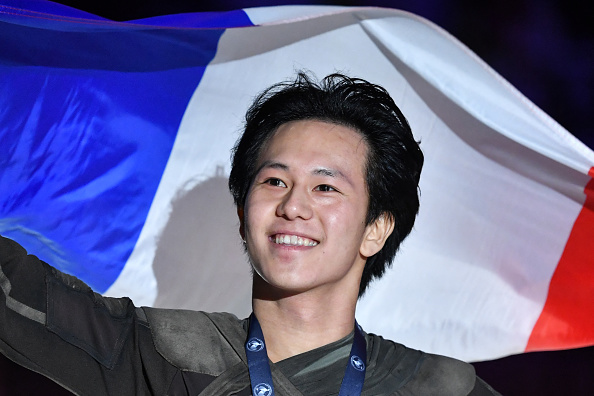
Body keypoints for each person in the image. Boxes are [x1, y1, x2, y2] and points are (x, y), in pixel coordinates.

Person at [0, 73, 500, 395]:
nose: (293, 206)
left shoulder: (440, 386)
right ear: (243, 214)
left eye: (325, 186)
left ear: (376, 229)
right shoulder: (158, 350)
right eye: (275, 181)